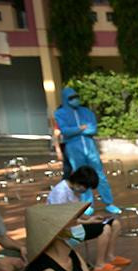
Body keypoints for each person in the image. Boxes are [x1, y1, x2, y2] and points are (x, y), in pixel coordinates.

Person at [47, 166, 131, 271]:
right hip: (63, 231)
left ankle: (110, 256)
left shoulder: (74, 189)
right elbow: (62, 220)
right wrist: (88, 221)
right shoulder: (61, 192)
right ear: (78, 182)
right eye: (86, 187)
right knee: (104, 229)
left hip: (73, 224)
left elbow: (77, 212)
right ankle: (100, 265)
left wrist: (91, 218)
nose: (85, 191)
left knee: (115, 224)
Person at [53, 87, 121, 215]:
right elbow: (65, 131)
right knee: (81, 177)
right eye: (71, 98)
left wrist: (76, 130)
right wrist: (81, 128)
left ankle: (109, 202)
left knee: (99, 174)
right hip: (74, 148)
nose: (75, 100)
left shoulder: (86, 112)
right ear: (65, 99)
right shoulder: (60, 113)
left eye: (76, 96)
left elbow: (92, 129)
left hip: (90, 146)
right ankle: (87, 205)